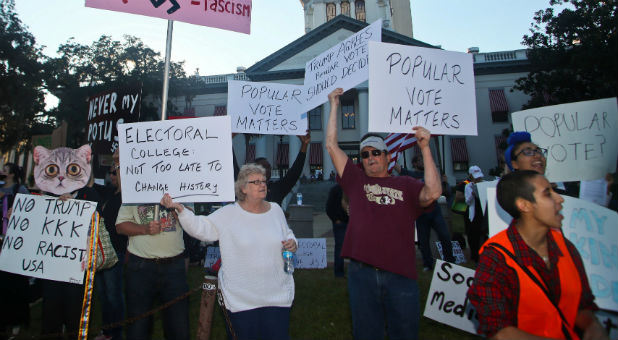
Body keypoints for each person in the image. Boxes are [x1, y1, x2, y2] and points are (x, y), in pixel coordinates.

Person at [325, 88, 442, 339]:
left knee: (404, 332)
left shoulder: (406, 184)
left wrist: (425, 148)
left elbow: (432, 193)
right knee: (367, 333)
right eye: (365, 154)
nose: (370, 158)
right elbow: (331, 146)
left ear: (388, 157)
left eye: (376, 152)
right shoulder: (355, 181)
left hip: (400, 273)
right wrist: (334, 105)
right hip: (362, 273)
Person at [160, 163, 297, 340]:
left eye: (264, 181)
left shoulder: (276, 210)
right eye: (256, 182)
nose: (262, 185)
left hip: (276, 295)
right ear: (243, 188)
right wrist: (181, 210)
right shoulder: (229, 214)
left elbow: (287, 232)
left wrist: (293, 242)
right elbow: (202, 228)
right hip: (242, 300)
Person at [467, 170, 608, 339]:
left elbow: (580, 305)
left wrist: (592, 325)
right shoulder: (496, 259)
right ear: (524, 205)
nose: (560, 199)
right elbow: (500, 332)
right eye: (548, 193)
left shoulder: (566, 247)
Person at [116, 195, 189, 339]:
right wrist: (145, 229)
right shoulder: (135, 188)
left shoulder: (182, 188)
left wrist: (175, 209)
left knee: (178, 326)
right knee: (138, 327)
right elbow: (120, 226)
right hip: (140, 267)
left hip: (174, 267)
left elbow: (191, 223)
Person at [394, 157, 455, 270]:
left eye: (423, 160)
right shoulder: (411, 175)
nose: (422, 162)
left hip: (435, 210)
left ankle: (450, 261)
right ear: (415, 163)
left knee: (445, 236)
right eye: (420, 161)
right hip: (421, 213)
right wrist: (391, 155)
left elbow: (444, 191)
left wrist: (445, 182)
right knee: (423, 241)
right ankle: (428, 263)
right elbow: (398, 168)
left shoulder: (430, 174)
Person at [92, 153, 126, 340]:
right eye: (111, 173)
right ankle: (106, 331)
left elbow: (122, 182)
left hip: (116, 251)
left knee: (114, 295)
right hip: (101, 251)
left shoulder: (125, 195)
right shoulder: (106, 193)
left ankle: (116, 333)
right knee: (103, 294)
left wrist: (119, 163)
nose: (112, 176)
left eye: (115, 173)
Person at [234, 131, 311, 205]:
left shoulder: (277, 189)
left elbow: (294, 173)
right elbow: (233, 168)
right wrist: (228, 139)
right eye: (263, 167)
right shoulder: (244, 188)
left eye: (268, 167)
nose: (267, 170)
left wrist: (304, 145)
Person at [0, 163, 31, 338]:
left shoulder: (21, 190)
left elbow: (29, 211)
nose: (2, 171)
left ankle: (16, 320)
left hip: (14, 242)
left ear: (12, 173)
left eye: (5, 168)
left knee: (14, 282)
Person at [464, 165, 487, 263]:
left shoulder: (485, 184)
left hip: (484, 211)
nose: (478, 178)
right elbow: (467, 202)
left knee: (485, 234)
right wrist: (472, 194)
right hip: (475, 213)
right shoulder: (468, 186)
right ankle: (476, 256)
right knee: (475, 236)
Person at [325, 183, 349, 277]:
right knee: (340, 248)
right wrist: (336, 220)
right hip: (341, 224)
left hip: (353, 223)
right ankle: (339, 272)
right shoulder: (336, 190)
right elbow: (329, 207)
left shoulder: (353, 188)